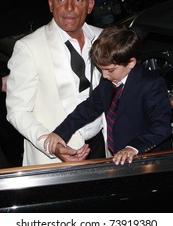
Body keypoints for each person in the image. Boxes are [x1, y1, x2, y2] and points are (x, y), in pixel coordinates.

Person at [6, 0, 107, 166]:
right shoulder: (29, 47)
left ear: (90, 5)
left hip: (103, 146)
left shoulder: (104, 38)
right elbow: (17, 111)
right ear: (51, 3)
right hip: (54, 155)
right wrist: (51, 144)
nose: (69, 7)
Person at [43, 25, 172, 165]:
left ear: (131, 62)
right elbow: (88, 108)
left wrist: (133, 148)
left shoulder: (151, 83)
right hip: (117, 160)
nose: (104, 75)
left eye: (110, 69)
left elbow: (161, 127)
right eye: (101, 69)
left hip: (147, 162)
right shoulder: (108, 81)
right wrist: (60, 132)